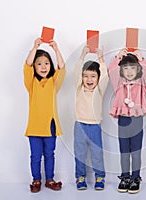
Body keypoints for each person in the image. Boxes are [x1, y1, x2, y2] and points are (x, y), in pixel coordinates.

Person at [24, 37, 66, 193]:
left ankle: (50, 179)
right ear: (34, 66)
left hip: (50, 126)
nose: (43, 67)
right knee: (35, 156)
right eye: (39, 63)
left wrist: (56, 49)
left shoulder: (54, 82)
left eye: (46, 63)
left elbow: (62, 67)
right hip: (35, 127)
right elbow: (27, 65)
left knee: (50, 154)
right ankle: (36, 180)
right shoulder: (31, 83)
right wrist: (34, 47)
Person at [108, 48, 146, 194]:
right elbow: (112, 69)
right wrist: (118, 57)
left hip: (137, 119)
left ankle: (135, 178)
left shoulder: (142, 85)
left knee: (136, 151)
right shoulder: (118, 84)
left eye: (132, 67)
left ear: (138, 69)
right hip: (123, 120)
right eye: (125, 68)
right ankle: (125, 177)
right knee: (124, 151)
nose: (129, 71)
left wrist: (141, 58)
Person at [73, 46, 109, 190]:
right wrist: (82, 55)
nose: (89, 79)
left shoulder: (99, 89)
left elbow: (105, 74)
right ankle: (80, 177)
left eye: (93, 76)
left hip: (95, 126)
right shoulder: (79, 88)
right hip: (80, 125)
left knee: (97, 153)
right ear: (82, 77)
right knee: (80, 153)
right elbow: (76, 71)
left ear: (98, 78)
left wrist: (101, 58)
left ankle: (100, 177)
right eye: (86, 76)